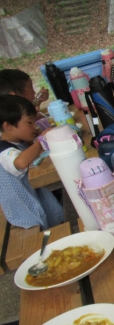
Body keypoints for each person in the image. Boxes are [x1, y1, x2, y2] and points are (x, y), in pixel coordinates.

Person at [0, 95, 64, 230]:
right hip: (27, 215)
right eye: (30, 123)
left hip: (36, 200)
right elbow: (21, 162)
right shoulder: (3, 151)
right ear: (9, 126)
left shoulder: (16, 142)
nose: (34, 126)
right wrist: (41, 140)